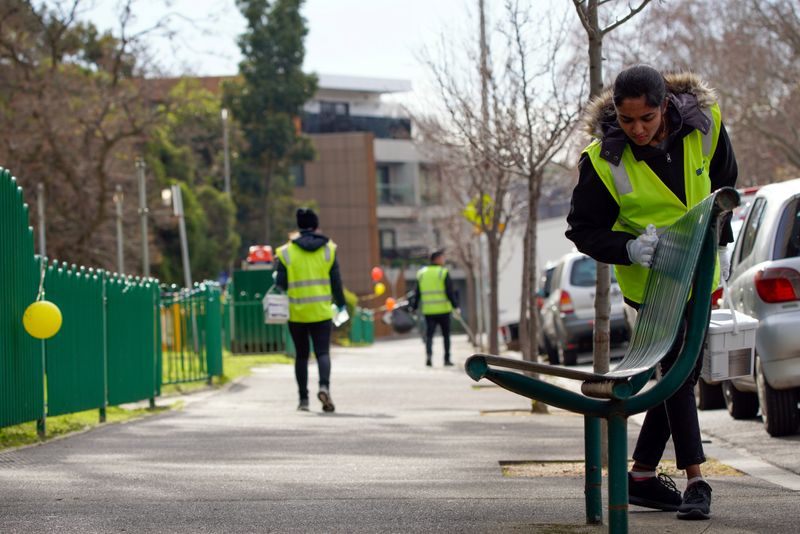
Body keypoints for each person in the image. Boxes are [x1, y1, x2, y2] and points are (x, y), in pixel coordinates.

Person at [566, 65, 738, 520]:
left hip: (701, 277)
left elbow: (725, 184)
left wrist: (720, 240)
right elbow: (583, 230)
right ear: (616, 115)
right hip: (653, 286)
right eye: (627, 121)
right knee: (679, 373)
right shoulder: (603, 162)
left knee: (682, 374)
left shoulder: (707, 124)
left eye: (646, 118)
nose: (638, 129)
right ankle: (697, 480)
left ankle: (641, 475)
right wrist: (628, 247)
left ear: (665, 106)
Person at [276, 208, 346, 413]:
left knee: (301, 355)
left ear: (298, 226)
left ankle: (303, 400)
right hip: (322, 312)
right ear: (316, 226)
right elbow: (336, 282)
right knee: (322, 352)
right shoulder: (329, 250)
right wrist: (341, 305)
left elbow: (280, 284)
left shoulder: (286, 252)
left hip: (296, 312)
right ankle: (324, 387)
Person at [409, 249, 459, 367]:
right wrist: (455, 307)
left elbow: (417, 293)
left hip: (429, 311)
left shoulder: (421, 273)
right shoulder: (443, 272)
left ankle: (429, 357)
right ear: (436, 259)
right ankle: (447, 359)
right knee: (446, 336)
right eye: (442, 258)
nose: (443, 260)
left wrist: (414, 307)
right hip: (444, 310)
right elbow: (449, 292)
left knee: (429, 336)